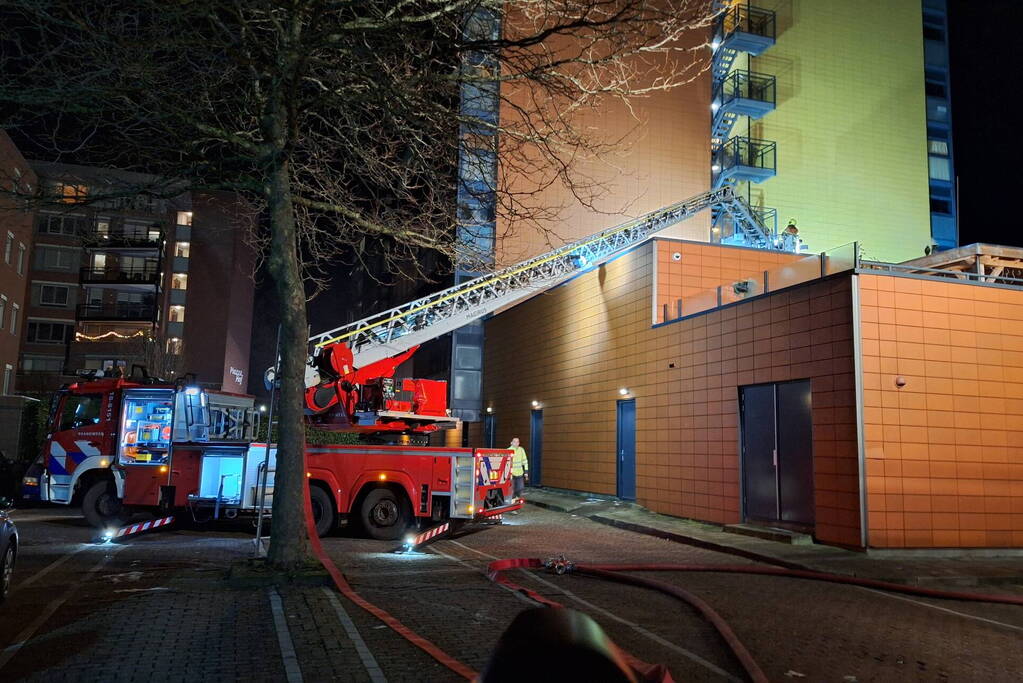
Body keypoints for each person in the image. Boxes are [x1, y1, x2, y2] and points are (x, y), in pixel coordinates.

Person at [509, 437, 528, 510]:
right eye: (514, 442)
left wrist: (526, 472)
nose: (516, 443)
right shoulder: (508, 450)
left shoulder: (521, 450)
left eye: (517, 442)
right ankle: (512, 508)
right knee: (512, 490)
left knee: (520, 488)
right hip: (512, 475)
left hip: (520, 473)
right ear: (511, 443)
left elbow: (525, 461)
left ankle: (515, 501)